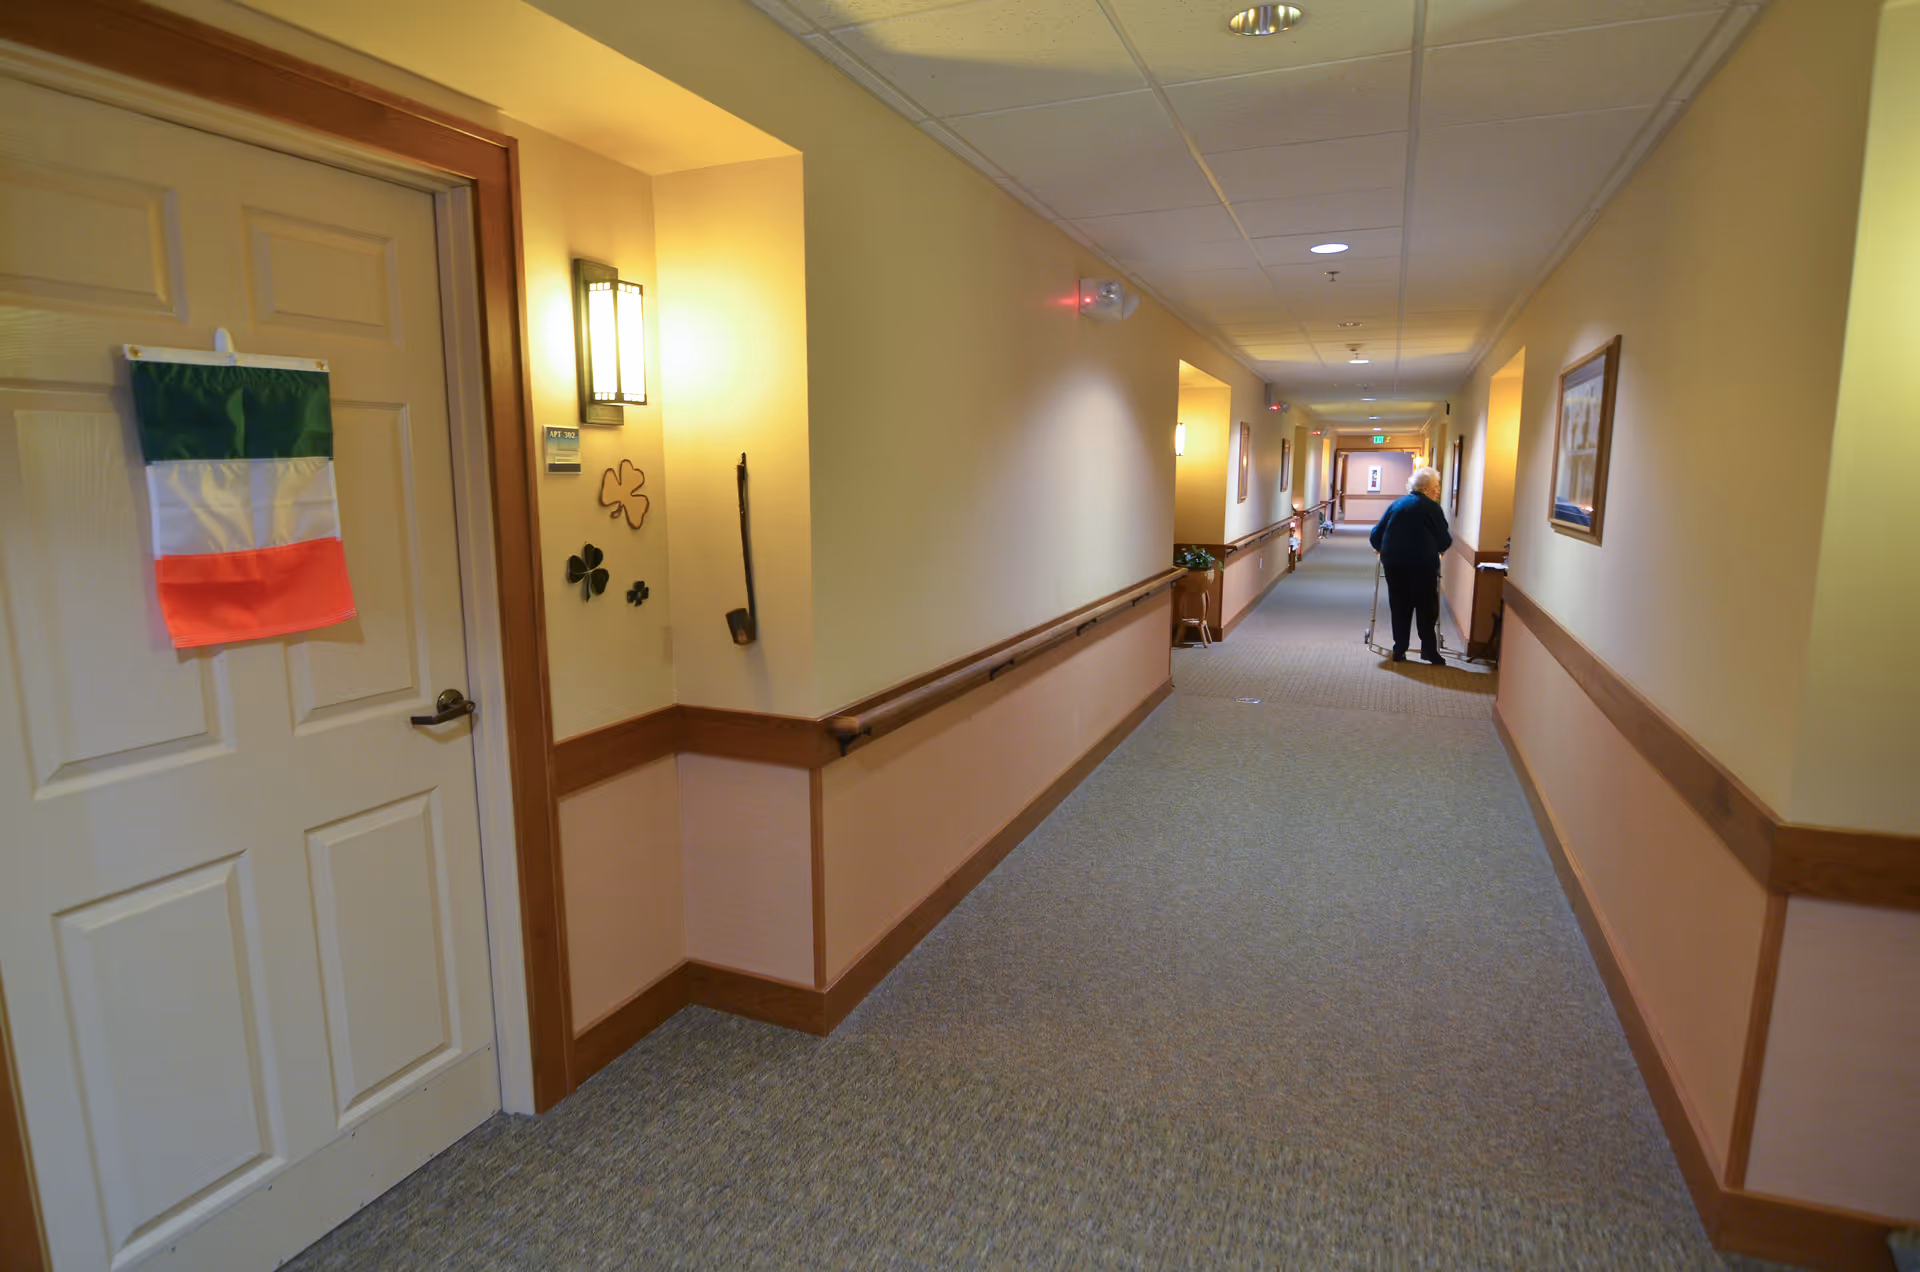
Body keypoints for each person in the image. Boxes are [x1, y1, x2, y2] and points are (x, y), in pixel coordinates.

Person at [1369, 466, 1452, 665]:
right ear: (1426, 488)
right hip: (1422, 566)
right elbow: (1444, 540)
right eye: (1436, 486)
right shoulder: (1432, 508)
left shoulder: (1397, 504)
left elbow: (1376, 534)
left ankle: (1399, 649)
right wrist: (1437, 548)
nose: (1438, 490)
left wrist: (1381, 548)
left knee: (1399, 605)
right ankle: (1429, 651)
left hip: (1394, 564)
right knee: (1426, 607)